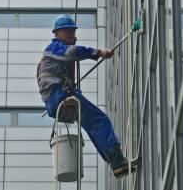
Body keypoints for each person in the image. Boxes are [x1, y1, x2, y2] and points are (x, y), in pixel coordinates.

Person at [36, 14, 136, 178]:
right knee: (100, 120)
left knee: (92, 124)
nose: (71, 34)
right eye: (66, 31)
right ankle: (117, 160)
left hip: (57, 97)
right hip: (59, 96)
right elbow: (73, 52)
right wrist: (98, 53)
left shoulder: (55, 54)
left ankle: (115, 164)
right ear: (56, 33)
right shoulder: (54, 48)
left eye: (72, 31)